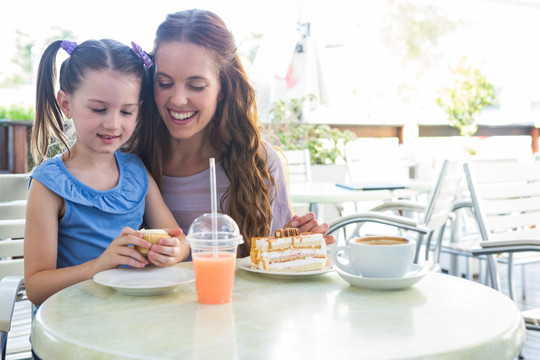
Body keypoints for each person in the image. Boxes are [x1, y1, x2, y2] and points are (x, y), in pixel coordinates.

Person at [126, 9, 335, 258]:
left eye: (196, 85)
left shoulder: (259, 163)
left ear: (223, 89)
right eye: (165, 83)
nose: (178, 99)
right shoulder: (128, 162)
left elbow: (273, 262)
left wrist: (293, 244)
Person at [24, 39, 190, 306]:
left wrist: (174, 252)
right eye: (98, 109)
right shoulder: (48, 185)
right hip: (71, 329)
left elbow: (179, 239)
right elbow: (36, 287)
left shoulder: (137, 172)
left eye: (126, 111)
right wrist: (100, 266)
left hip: (132, 320)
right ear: (66, 104)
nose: (113, 124)